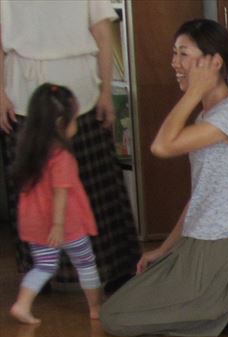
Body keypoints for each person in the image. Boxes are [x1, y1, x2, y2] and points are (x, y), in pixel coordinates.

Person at [99, 18, 228, 337]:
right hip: (195, 245)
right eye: (175, 54)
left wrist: (193, 91)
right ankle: (216, 308)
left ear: (214, 62)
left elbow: (162, 146)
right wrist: (165, 248)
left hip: (217, 253)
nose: (175, 63)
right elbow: (199, 197)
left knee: (114, 317)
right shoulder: (206, 116)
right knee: (118, 293)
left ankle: (222, 310)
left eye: (184, 54)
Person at [0, 0, 140, 289]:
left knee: (95, 185)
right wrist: (0, 94)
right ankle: (41, 273)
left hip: (81, 94)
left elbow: (103, 34)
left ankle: (114, 268)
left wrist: (106, 92)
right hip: (24, 95)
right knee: (33, 190)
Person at [9, 82, 99, 324]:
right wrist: (58, 225)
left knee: (44, 265)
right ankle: (95, 308)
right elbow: (61, 192)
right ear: (61, 124)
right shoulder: (62, 156)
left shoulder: (30, 150)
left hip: (35, 222)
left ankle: (22, 304)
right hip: (67, 223)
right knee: (85, 262)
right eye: (75, 118)